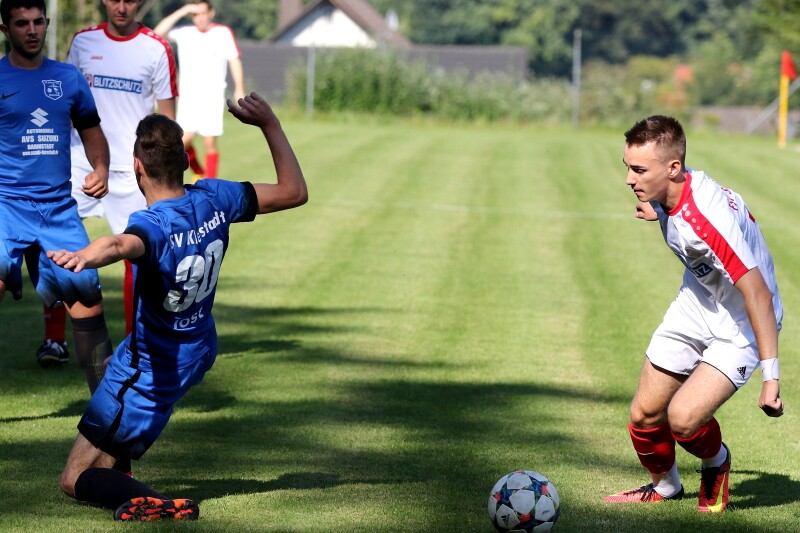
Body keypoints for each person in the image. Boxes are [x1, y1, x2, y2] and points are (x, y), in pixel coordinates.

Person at [49, 92, 307, 522]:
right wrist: (270, 124)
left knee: (74, 478)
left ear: (136, 167)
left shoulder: (152, 224)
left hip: (153, 366)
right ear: (186, 161)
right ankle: (123, 459)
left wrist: (83, 256)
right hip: (197, 346)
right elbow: (294, 191)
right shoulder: (215, 197)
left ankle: (159, 502)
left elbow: (120, 244)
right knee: (114, 373)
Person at [604, 115, 784, 513]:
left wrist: (771, 378)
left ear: (672, 168)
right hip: (698, 302)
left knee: (683, 419)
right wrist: (660, 210)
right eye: (628, 167)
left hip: (742, 323)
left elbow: (758, 294)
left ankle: (717, 462)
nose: (630, 179)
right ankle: (665, 487)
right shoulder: (673, 190)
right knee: (645, 414)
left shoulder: (708, 219)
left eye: (639, 170)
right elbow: (679, 208)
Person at [33, 0, 179, 366]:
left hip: (132, 172)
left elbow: (167, 121)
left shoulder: (156, 48)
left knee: (138, 257)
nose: (122, 6)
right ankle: (54, 341)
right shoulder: (84, 41)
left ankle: (134, 347)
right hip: (80, 164)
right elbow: (64, 100)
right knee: (54, 247)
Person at [0, 0, 113, 393]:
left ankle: (107, 406)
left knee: (88, 305)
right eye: (21, 24)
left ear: (46, 23)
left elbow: (92, 131)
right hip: (6, 205)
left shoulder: (68, 77)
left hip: (58, 210)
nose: (32, 30)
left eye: (37, 22)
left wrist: (100, 169)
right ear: (6, 30)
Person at [154, 0, 245, 180]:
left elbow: (234, 60)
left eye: (203, 13)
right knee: (180, 143)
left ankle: (210, 186)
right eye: (195, 14)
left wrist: (239, 88)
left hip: (212, 98)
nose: (200, 18)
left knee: (209, 143)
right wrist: (183, 10)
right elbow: (157, 33)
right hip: (188, 99)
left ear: (211, 13)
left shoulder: (222, 33)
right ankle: (199, 171)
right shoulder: (185, 33)